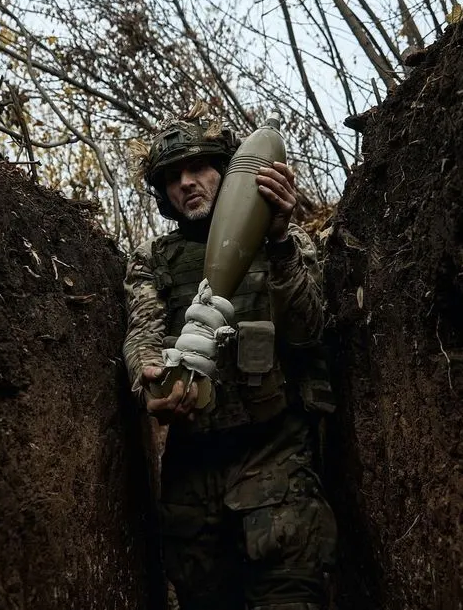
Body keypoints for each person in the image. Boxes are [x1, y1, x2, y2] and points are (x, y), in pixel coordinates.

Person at [123, 102, 337, 610]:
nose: (187, 183)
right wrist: (151, 379)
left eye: (199, 168)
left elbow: (310, 332)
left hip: (275, 450)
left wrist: (281, 239)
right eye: (172, 177)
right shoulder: (155, 259)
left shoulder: (286, 243)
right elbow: (143, 333)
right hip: (193, 464)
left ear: (228, 171)